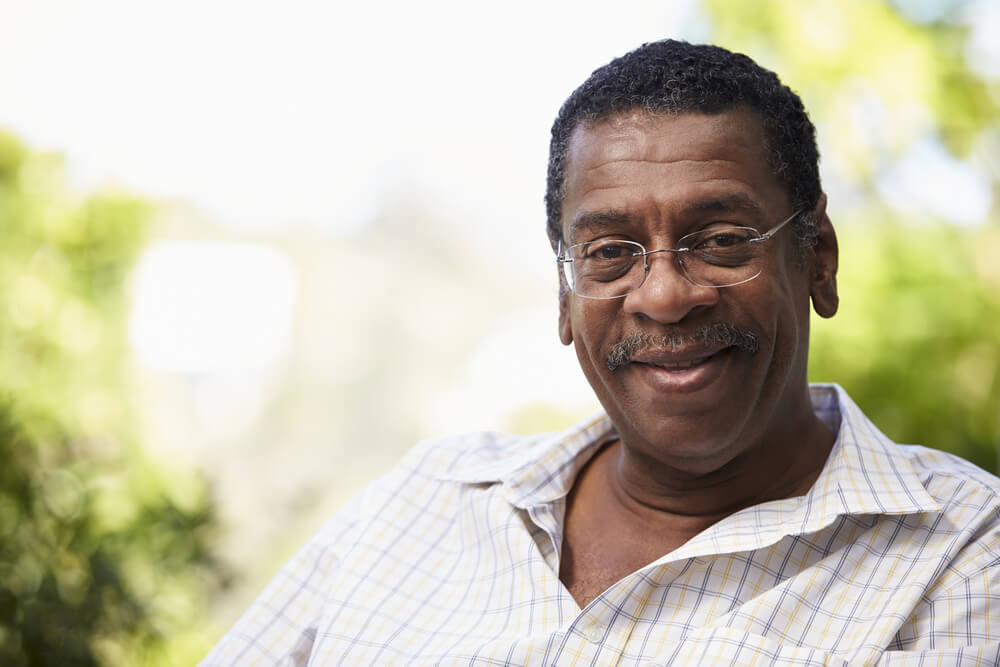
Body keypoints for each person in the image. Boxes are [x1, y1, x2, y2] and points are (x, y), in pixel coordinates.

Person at [203, 40, 1000, 666]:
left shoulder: (962, 554)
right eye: (611, 252)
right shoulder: (426, 499)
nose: (662, 295)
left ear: (817, 258)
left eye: (721, 240)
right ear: (563, 294)